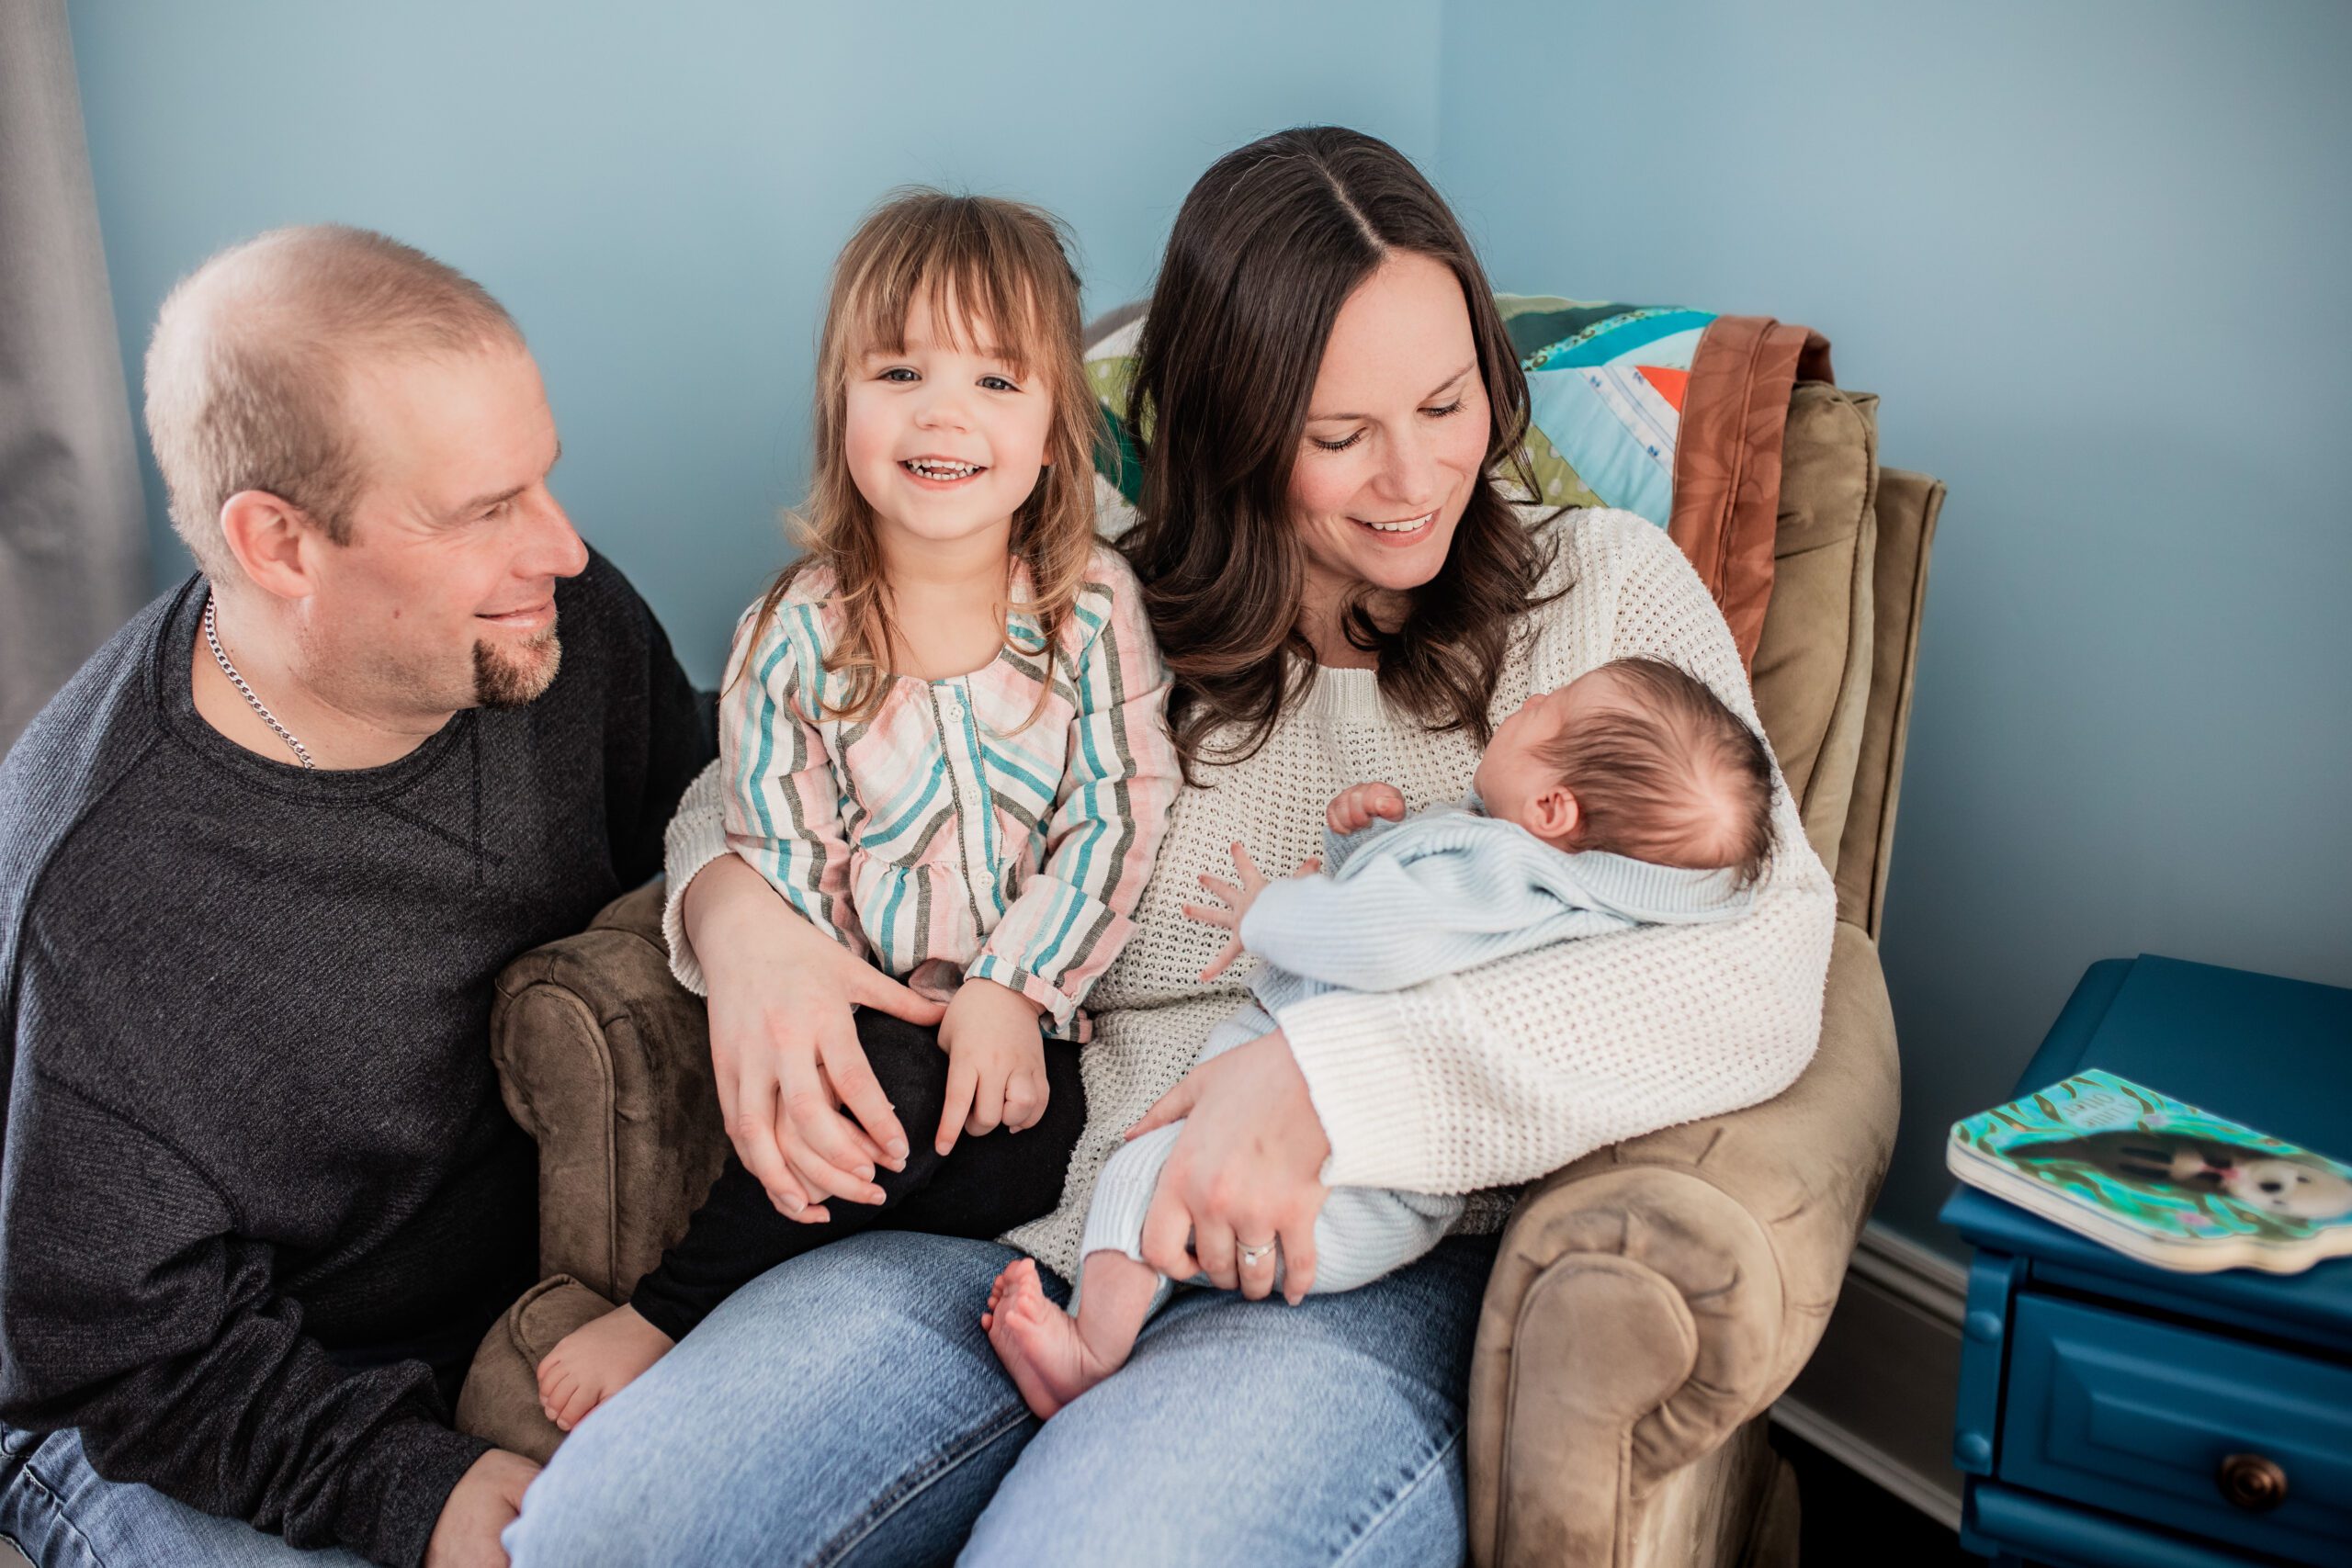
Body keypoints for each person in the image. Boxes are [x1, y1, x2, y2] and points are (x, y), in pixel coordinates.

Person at [504, 126, 1837, 1567]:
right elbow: (787, 747)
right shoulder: (1087, 601)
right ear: (1226, 427)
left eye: (1450, 403)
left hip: (1346, 1267)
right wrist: (740, 918)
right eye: (1338, 437)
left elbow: (1764, 951)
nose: (1415, 478)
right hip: (1033, 1210)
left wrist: (1331, 1084)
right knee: (607, 1527)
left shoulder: (1600, 601)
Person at [0, 227, 733, 1567]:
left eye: (543, 482)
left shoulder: (557, 640)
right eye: (484, 510)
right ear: (278, 541)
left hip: (539, 1321)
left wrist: (747, 912)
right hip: (197, 1406)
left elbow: (700, 829)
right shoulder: (100, 893)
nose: (562, 549)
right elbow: (112, 1345)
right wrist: (413, 1486)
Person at [532, 190, 1180, 1434]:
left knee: (1007, 1132)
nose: (944, 411)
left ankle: (739, 1282)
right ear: (844, 406)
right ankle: (692, 1300)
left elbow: (1119, 812)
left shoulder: (1091, 608)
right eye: (900, 370)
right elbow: (784, 851)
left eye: (997, 379)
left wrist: (1009, 986)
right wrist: (853, 997)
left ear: (1055, 432)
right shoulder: (795, 632)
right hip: (877, 1023)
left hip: (1033, 1046)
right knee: (850, 1098)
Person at [983, 655, 1778, 1417]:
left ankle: (1088, 1353)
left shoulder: (1501, 869)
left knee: (1140, 1176)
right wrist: (1362, 848)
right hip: (1379, 1190)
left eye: (1550, 709)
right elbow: (1419, 929)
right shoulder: (1546, 886)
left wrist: (1268, 915)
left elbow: (1376, 939)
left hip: (1338, 1179)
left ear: (1552, 809)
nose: (1532, 699)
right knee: (1165, 1198)